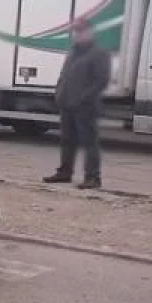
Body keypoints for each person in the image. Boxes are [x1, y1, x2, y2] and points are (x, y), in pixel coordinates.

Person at [44, 18, 111, 189]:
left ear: (90, 32)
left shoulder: (99, 54)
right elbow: (64, 75)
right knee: (67, 140)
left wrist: (83, 98)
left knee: (89, 142)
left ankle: (93, 177)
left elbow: (101, 81)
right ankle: (65, 172)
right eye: (76, 31)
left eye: (81, 31)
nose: (78, 34)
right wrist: (59, 93)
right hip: (67, 104)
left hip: (86, 107)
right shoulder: (72, 52)